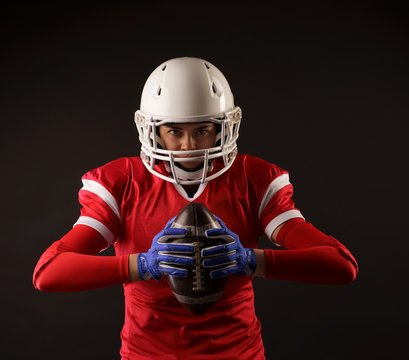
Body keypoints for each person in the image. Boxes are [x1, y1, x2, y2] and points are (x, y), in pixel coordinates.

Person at [32, 57, 359, 359]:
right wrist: (141, 266)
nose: (188, 145)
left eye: (202, 131)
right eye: (174, 131)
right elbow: (49, 272)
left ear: (223, 127)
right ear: (153, 130)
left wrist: (251, 260)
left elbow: (341, 265)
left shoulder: (253, 179)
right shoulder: (122, 182)